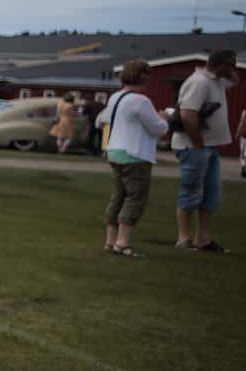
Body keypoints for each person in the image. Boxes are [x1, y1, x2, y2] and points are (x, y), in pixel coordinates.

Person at [96, 59, 169, 258]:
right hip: (135, 154)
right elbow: (158, 129)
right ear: (143, 77)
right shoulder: (141, 101)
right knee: (135, 198)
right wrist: (164, 119)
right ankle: (123, 243)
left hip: (115, 150)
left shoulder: (115, 97)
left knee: (118, 197)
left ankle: (110, 241)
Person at [172, 49, 238, 252]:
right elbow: (187, 114)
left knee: (211, 194)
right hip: (194, 146)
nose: (234, 69)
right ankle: (183, 238)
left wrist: (229, 70)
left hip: (209, 146)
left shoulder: (217, 81)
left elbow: (235, 80)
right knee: (191, 191)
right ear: (222, 65)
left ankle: (203, 238)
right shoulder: (199, 82)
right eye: (231, 64)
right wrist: (198, 142)